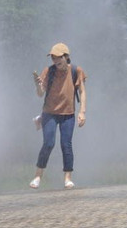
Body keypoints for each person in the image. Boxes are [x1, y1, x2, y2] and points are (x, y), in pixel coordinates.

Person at [30, 43, 87, 189]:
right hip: (50, 113)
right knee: (48, 143)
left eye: (58, 58)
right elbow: (40, 94)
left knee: (66, 145)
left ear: (66, 57)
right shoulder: (49, 71)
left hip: (68, 114)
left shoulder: (76, 70)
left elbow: (82, 91)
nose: (55, 61)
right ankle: (37, 176)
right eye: (53, 58)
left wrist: (82, 112)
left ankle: (68, 178)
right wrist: (38, 85)